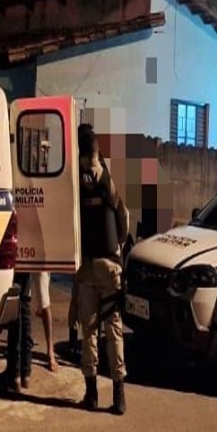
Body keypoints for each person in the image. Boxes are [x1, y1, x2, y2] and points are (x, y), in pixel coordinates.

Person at [74, 123, 130, 415]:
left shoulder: (73, 181)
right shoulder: (107, 180)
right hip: (110, 266)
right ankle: (119, 396)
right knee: (114, 330)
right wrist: (118, 247)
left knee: (90, 331)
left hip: (86, 267)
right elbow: (124, 218)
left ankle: (91, 393)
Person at [0, 272, 34, 391]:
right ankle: (25, 371)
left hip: (18, 261)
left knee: (15, 303)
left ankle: (14, 372)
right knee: (25, 303)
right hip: (29, 261)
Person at [31, 271, 59, 371]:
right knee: (43, 304)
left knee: (44, 305)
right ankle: (50, 351)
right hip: (34, 261)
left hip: (39, 264)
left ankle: (50, 352)